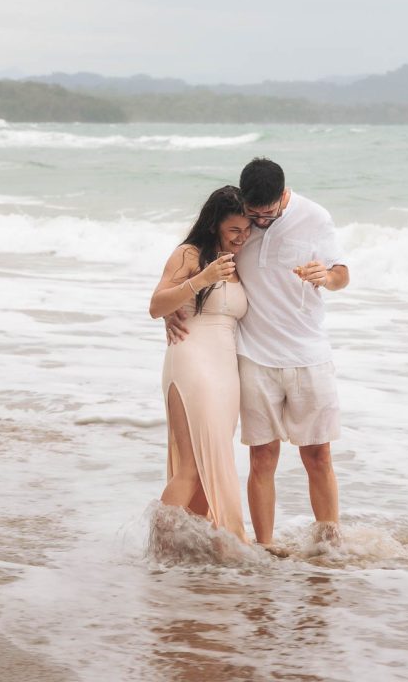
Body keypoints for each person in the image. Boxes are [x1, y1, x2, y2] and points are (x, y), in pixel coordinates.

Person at [167, 158, 349, 546]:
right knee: (262, 459)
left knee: (318, 456)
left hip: (308, 355)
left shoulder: (315, 217)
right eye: (252, 216)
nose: (258, 225)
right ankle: (265, 546)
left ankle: (330, 547)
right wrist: (173, 310)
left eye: (267, 216)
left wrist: (327, 277)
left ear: (283, 197)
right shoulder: (239, 227)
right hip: (253, 357)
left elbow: (342, 274)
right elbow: (187, 271)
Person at [149, 185, 251, 542]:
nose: (242, 237)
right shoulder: (190, 254)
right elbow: (157, 305)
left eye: (246, 229)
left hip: (226, 370)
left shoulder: (242, 259)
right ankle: (159, 547)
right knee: (193, 466)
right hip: (190, 358)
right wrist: (201, 280)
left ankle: (191, 547)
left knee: (212, 466)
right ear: (214, 226)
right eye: (234, 230)